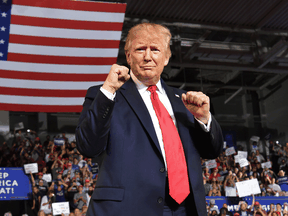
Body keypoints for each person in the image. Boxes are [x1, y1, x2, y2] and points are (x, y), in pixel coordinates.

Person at [76, 22, 223, 216]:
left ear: (166, 57)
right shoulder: (106, 95)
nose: (147, 56)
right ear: (128, 56)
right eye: (140, 49)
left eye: (155, 49)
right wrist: (109, 90)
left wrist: (204, 119)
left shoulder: (186, 101)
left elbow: (212, 151)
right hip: (128, 208)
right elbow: (88, 146)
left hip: (186, 209)